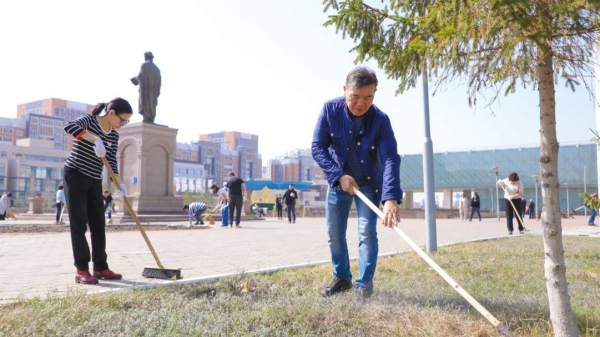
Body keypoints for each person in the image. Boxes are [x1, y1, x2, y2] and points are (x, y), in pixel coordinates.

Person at [312, 67, 402, 299]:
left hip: (368, 182)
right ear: (345, 91)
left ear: (374, 95)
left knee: (366, 233)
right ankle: (342, 277)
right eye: (355, 96)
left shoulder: (381, 121)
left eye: (368, 98)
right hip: (339, 181)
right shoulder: (330, 110)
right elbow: (317, 147)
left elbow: (390, 158)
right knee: (334, 233)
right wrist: (339, 176)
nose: (361, 103)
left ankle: (364, 285)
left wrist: (390, 197)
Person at [63, 97, 132, 284]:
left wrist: (119, 184)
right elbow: (69, 127)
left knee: (98, 224)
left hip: (94, 179)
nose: (123, 125)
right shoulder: (89, 121)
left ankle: (100, 267)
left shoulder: (114, 135)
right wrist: (95, 139)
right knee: (79, 224)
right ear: (111, 113)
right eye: (122, 120)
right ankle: (81, 269)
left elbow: (111, 163)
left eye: (126, 121)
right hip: (75, 175)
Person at [131, 51, 161, 123]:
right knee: (151, 104)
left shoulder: (144, 65)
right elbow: (159, 81)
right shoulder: (157, 69)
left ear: (146, 57)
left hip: (146, 90)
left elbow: (140, 76)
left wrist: (134, 80)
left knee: (146, 103)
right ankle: (150, 117)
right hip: (153, 91)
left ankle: (147, 117)